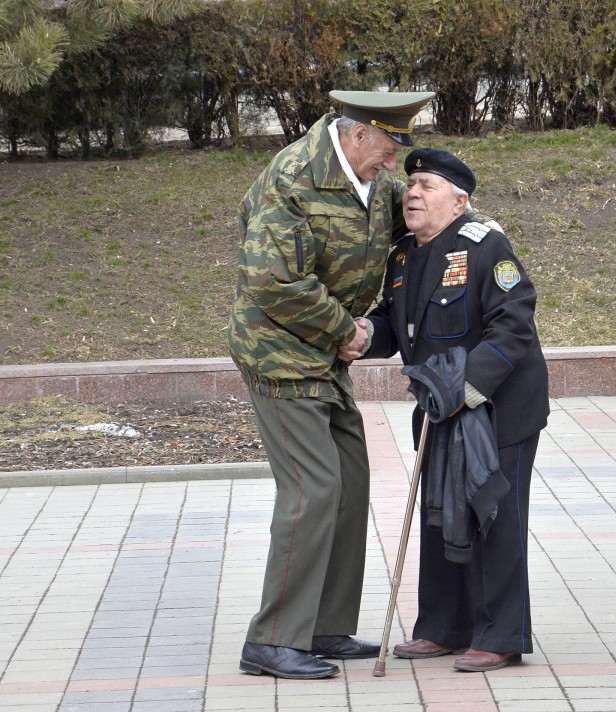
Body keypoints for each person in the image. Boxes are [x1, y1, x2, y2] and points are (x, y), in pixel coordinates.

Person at [227, 89, 440, 681]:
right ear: (359, 135)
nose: (395, 164)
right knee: (313, 488)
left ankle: (322, 626)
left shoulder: (373, 180)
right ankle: (271, 639)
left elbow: (418, 211)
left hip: (322, 356)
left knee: (349, 480)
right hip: (278, 352)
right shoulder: (293, 177)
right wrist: (344, 328)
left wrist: (470, 227)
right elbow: (272, 281)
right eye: (391, 149)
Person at [357, 148, 550, 673]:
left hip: (497, 408)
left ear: (460, 201)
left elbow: (513, 325)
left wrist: (465, 389)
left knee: (493, 514)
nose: (413, 193)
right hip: (440, 406)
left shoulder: (486, 247)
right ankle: (443, 627)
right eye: (412, 183)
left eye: (428, 185)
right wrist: (363, 335)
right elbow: (397, 325)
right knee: (441, 511)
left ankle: (501, 634)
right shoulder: (404, 254)